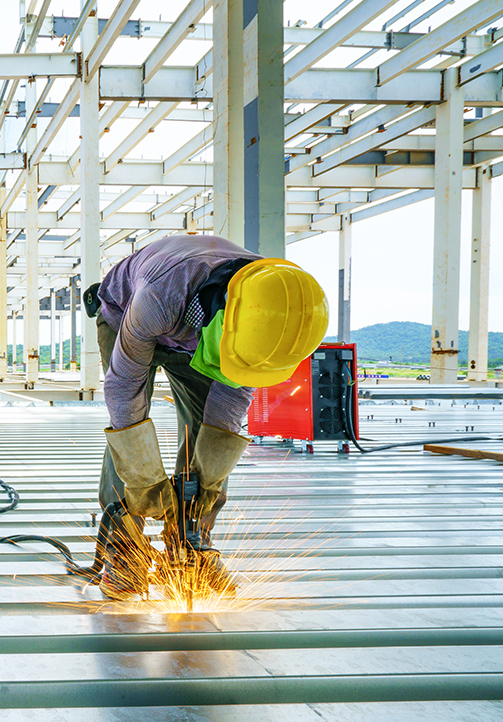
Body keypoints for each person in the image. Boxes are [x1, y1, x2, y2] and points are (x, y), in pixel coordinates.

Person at [87, 234, 329, 600]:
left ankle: (191, 546)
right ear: (219, 324)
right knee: (128, 440)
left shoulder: (268, 324)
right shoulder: (161, 294)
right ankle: (125, 552)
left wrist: (206, 484)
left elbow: (225, 414)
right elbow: (124, 393)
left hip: (205, 332)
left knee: (207, 437)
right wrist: (145, 480)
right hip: (126, 320)